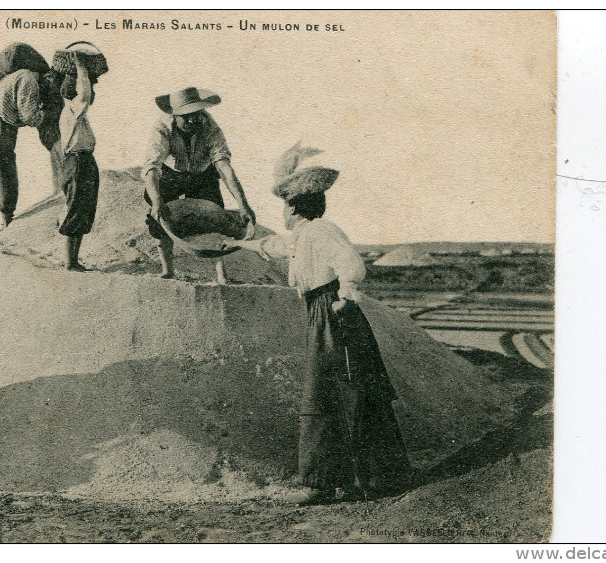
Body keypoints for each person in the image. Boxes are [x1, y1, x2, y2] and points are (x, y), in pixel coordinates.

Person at [232, 146, 414, 504]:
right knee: (340, 391)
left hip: (334, 314)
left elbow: (351, 265)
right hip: (323, 312)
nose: (283, 212)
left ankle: (324, 483)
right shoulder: (304, 236)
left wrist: (345, 296)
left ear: (295, 207)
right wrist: (239, 243)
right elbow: (278, 247)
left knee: (328, 392)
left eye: (285, 205)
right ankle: (359, 478)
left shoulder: (320, 232)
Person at [143, 87, 256, 283]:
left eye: (195, 115)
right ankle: (167, 270)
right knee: (159, 217)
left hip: (202, 172)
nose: (191, 121)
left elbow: (224, 167)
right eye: (185, 117)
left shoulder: (210, 128)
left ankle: (222, 275)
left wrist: (243, 204)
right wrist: (156, 201)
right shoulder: (162, 127)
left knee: (216, 216)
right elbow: (151, 167)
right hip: (172, 173)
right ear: (174, 115)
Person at [0, 43, 64, 228]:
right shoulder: (30, 79)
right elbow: (30, 116)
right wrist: (49, 113)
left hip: (1, 122)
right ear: (49, 77)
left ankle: (7, 216)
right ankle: (6, 218)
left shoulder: (27, 77)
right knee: (5, 168)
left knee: (6, 166)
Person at [54, 50, 101, 271]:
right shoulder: (72, 109)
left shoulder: (73, 113)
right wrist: (81, 67)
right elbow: (84, 94)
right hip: (78, 162)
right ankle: (70, 262)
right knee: (76, 209)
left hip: (82, 162)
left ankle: (73, 261)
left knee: (81, 210)